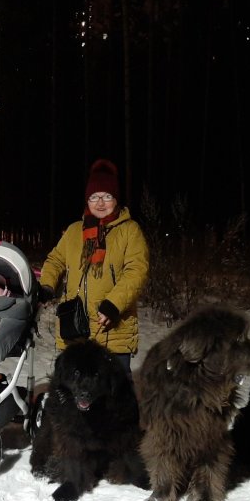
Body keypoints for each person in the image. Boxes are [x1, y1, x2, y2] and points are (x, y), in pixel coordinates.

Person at [39, 159, 149, 375]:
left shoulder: (130, 231)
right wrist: (47, 286)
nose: (100, 203)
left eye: (107, 196)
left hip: (112, 332)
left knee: (114, 400)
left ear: (116, 199)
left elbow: (137, 270)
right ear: (87, 200)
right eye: (94, 197)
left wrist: (114, 304)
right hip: (75, 332)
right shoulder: (74, 231)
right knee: (73, 397)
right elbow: (55, 260)